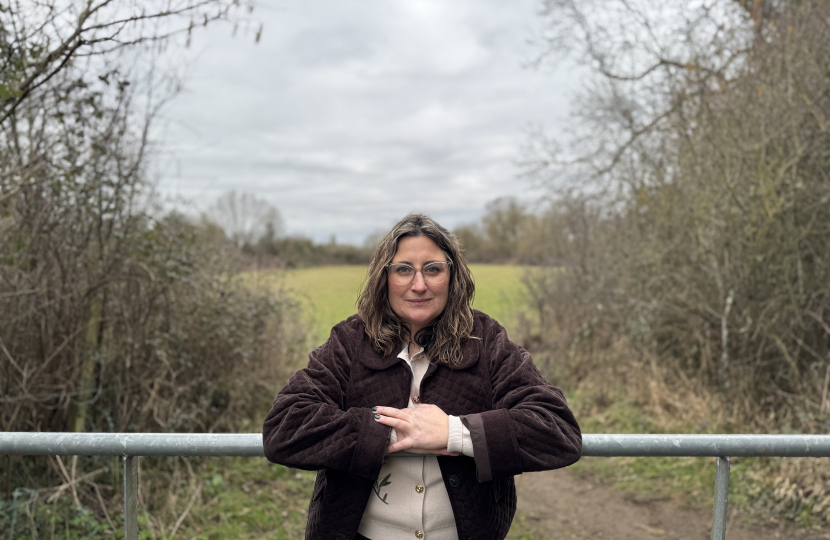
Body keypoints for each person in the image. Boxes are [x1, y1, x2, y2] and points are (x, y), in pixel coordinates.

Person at [262, 213, 581, 540]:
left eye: (433, 269)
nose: (419, 285)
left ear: (452, 276)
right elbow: (285, 426)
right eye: (403, 270)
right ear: (384, 278)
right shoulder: (349, 341)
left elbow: (557, 430)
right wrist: (387, 433)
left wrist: (454, 433)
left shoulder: (486, 341)